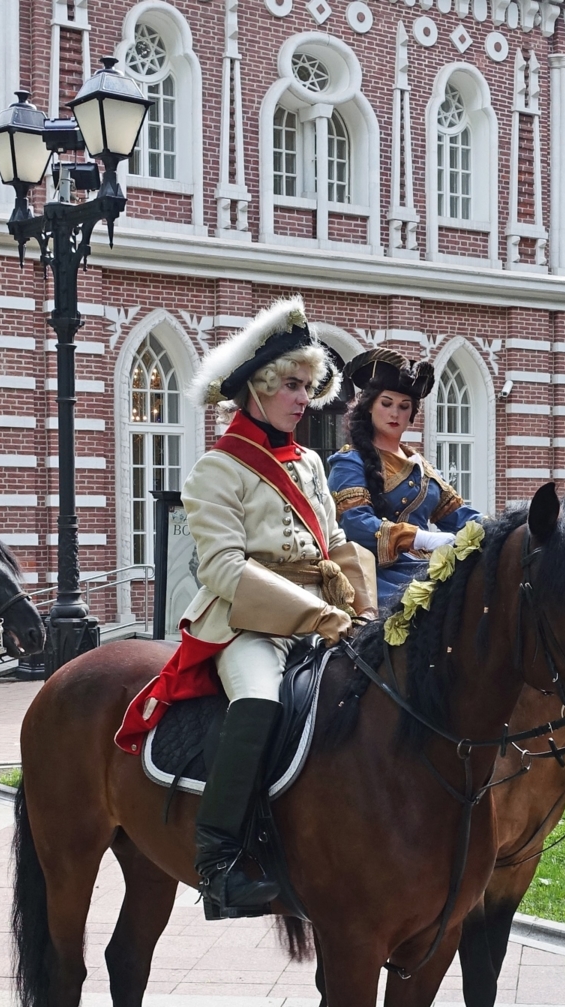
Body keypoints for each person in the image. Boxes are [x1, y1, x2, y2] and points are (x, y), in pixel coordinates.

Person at [118, 297, 375, 919]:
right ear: (255, 390)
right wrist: (317, 617)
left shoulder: (310, 462)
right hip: (246, 624)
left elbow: (336, 545)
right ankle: (219, 861)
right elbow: (225, 570)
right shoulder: (217, 469)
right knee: (259, 701)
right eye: (291, 385)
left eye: (308, 387)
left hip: (324, 612)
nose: (302, 399)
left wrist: (364, 612)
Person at [327, 349, 483, 611]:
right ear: (369, 407)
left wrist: (504, 529)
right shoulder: (349, 462)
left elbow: (459, 517)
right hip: (376, 579)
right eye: (386, 404)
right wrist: (422, 538)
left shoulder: (423, 467)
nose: (395, 414)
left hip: (427, 569)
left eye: (404, 406)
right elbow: (354, 524)